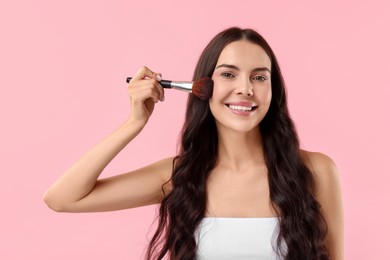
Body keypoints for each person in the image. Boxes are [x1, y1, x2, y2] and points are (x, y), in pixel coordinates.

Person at [44, 27, 343, 260]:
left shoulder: (316, 170)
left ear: (272, 90)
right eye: (228, 74)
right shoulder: (178, 176)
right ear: (204, 87)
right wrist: (133, 123)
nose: (245, 88)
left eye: (259, 77)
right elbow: (62, 198)